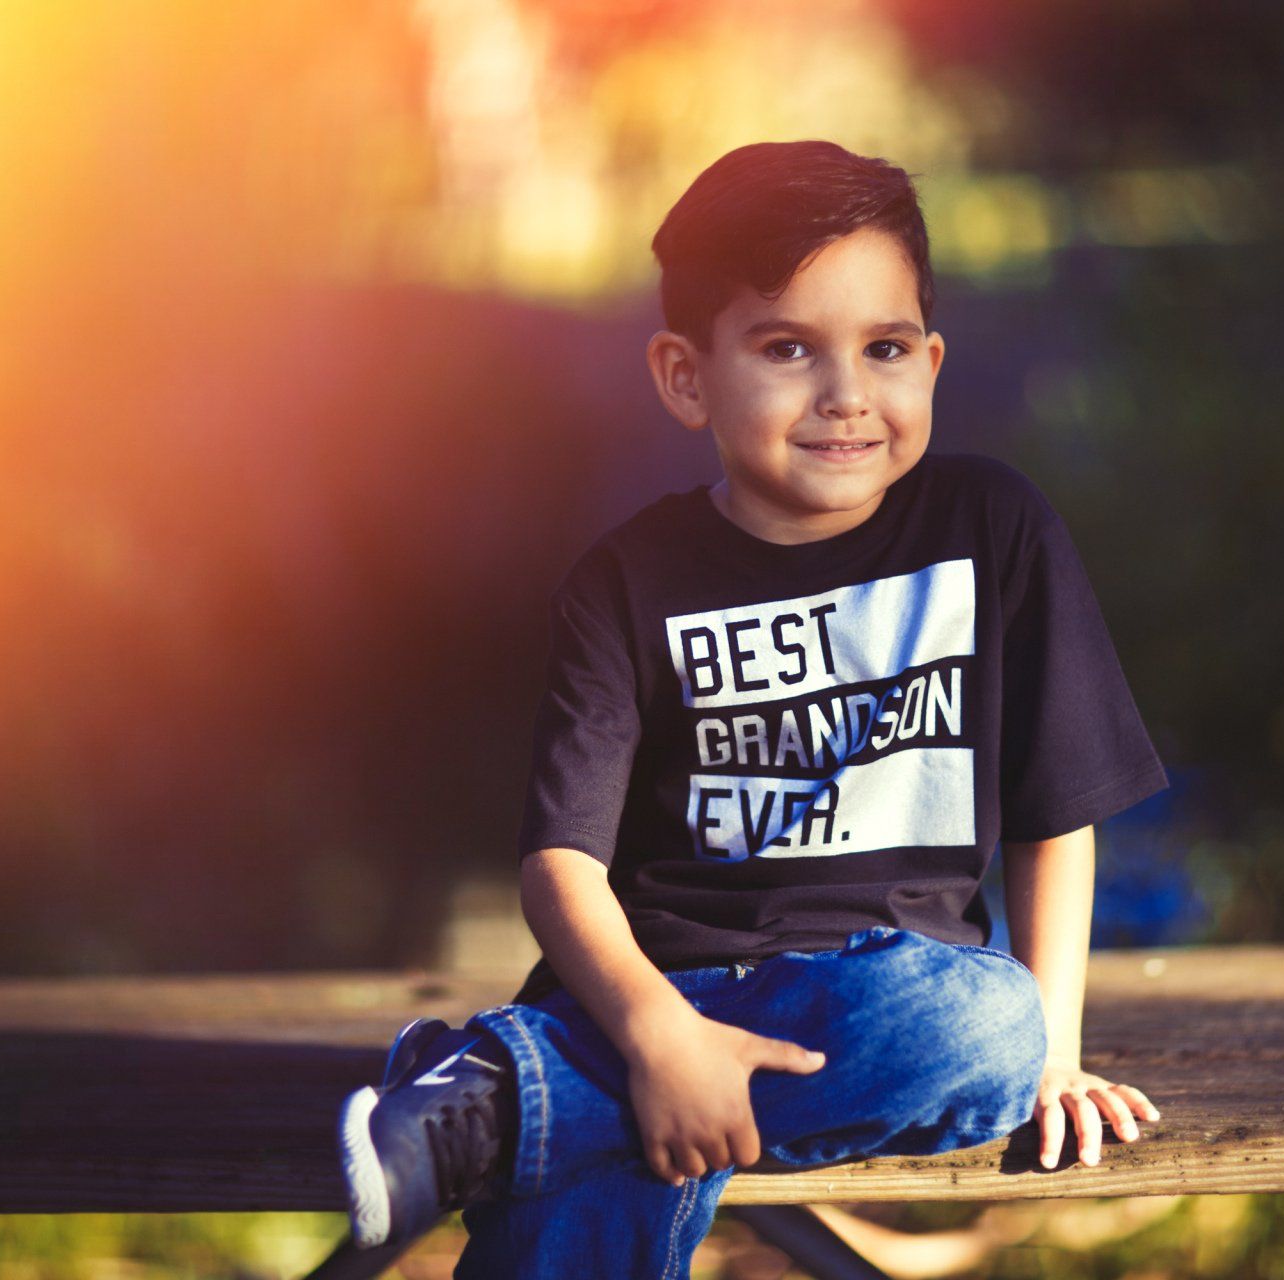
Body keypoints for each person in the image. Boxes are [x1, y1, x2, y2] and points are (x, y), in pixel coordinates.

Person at [335, 139, 1172, 1277]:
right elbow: (560, 866)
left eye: (883, 348)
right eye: (788, 348)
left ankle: (508, 1096)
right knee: (594, 1196)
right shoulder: (628, 582)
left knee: (993, 1026)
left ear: (930, 360)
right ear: (687, 376)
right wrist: (659, 1035)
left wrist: (1058, 1052)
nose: (846, 395)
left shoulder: (993, 530)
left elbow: (1054, 813)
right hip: (645, 993)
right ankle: (552, 1090)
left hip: (888, 1001)